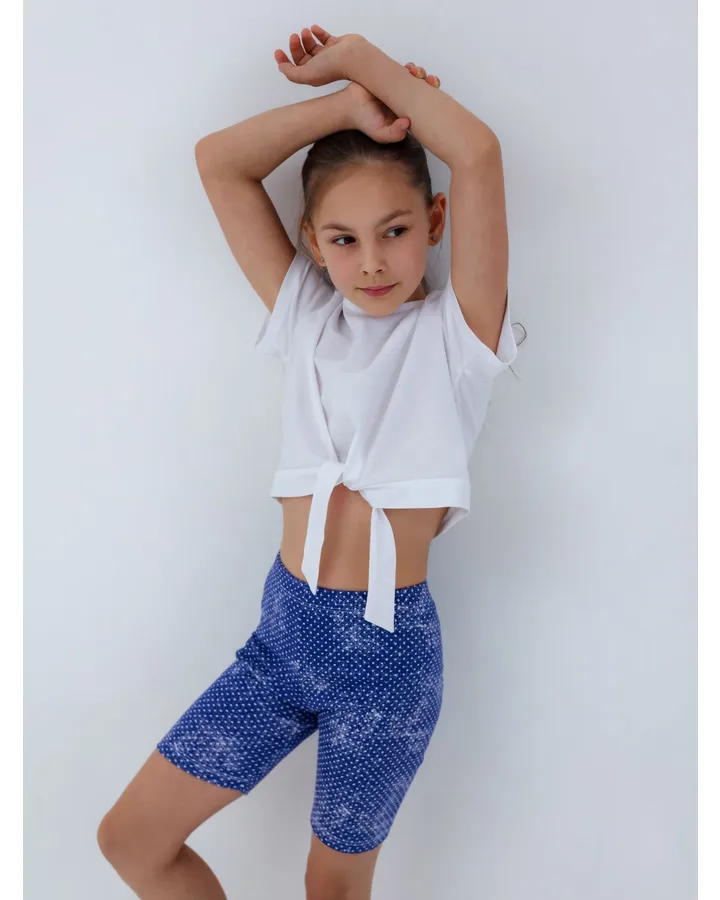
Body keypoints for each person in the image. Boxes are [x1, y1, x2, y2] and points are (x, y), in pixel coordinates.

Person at [97, 25, 521, 900]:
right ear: (313, 242)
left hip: (386, 663)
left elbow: (478, 154)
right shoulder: (308, 316)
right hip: (282, 638)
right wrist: (344, 108)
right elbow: (218, 163)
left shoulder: (459, 339)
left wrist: (363, 60)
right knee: (133, 839)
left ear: (434, 223)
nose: (372, 260)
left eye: (395, 231)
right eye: (344, 239)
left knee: (332, 890)